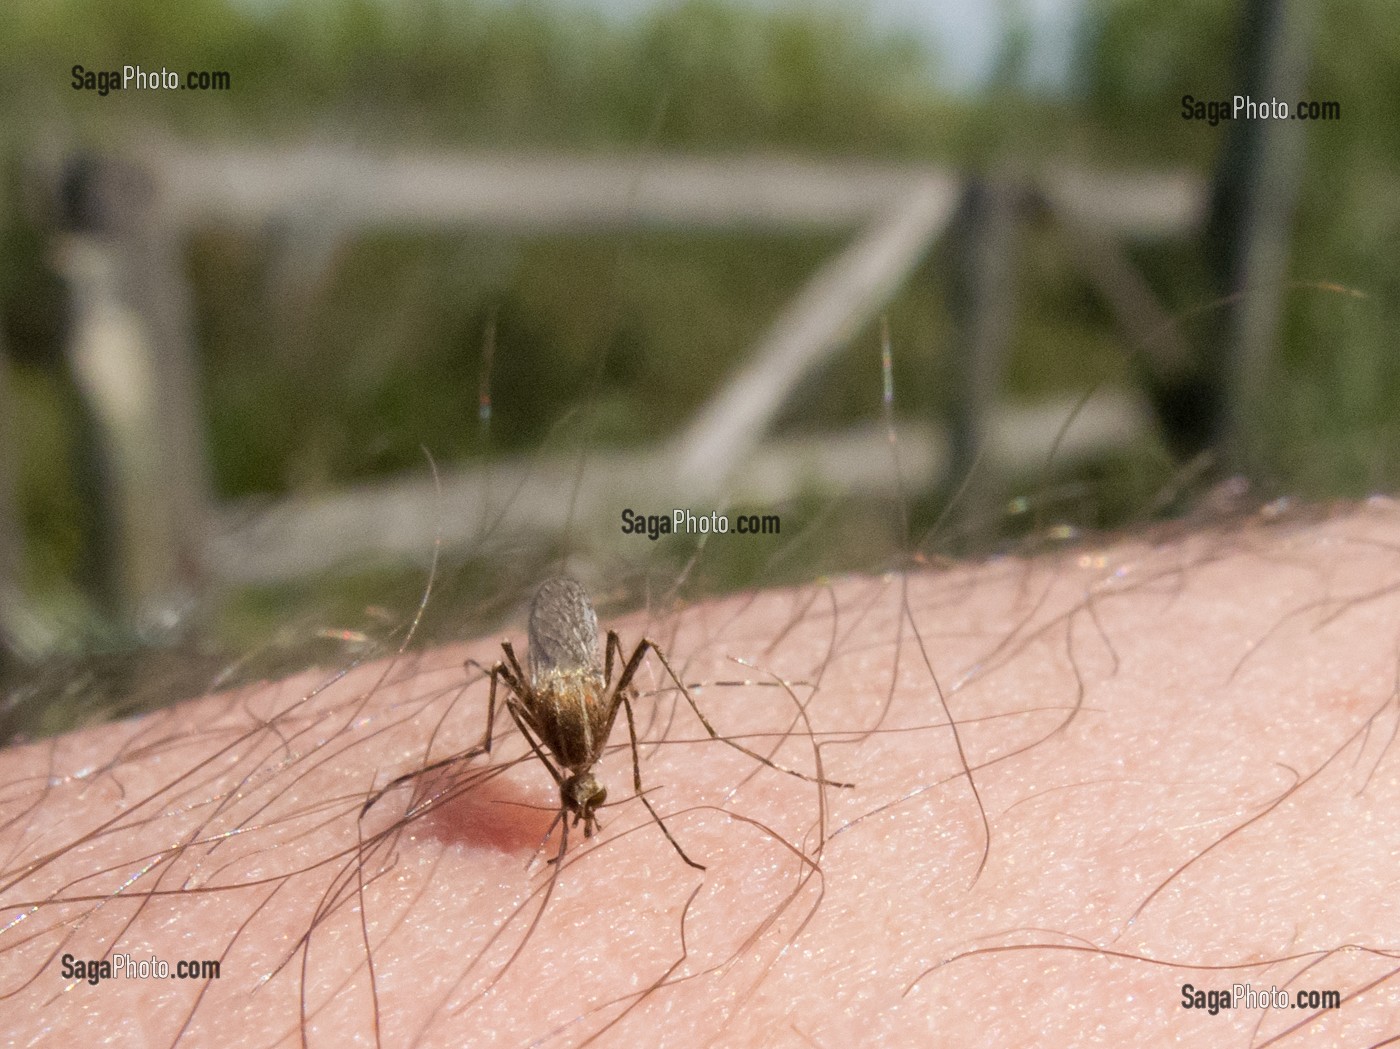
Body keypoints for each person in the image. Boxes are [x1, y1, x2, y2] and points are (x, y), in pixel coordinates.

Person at [2, 501, 1396, 1046]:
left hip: (569, 697)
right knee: (542, 690)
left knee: (610, 677)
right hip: (542, 708)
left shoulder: (596, 729)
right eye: (591, 797)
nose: (587, 807)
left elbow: (591, 659)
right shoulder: (565, 736)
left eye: (593, 796)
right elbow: (541, 660)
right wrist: (521, 765)